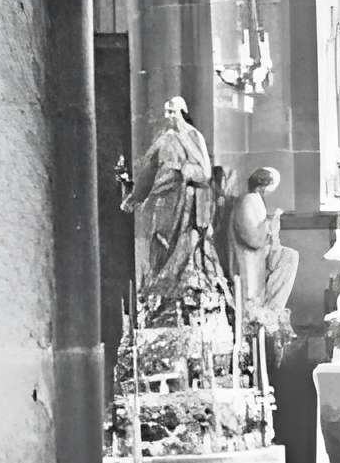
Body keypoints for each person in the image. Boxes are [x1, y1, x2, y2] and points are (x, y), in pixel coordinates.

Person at [123, 94, 217, 299]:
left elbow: (205, 173)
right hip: (162, 197)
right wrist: (135, 197)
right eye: (167, 112)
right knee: (158, 240)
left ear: (182, 112)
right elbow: (148, 170)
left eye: (172, 112)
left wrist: (184, 171)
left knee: (183, 245)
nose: (169, 116)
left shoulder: (193, 136)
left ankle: (180, 288)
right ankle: (158, 288)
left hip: (185, 200)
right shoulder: (164, 138)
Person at [223, 165, 302, 332]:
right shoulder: (248, 200)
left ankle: (271, 311)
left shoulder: (257, 201)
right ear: (263, 186)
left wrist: (273, 231)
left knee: (289, 256)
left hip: (261, 258)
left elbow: (268, 242)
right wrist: (269, 225)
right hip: (247, 262)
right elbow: (252, 237)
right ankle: (265, 314)